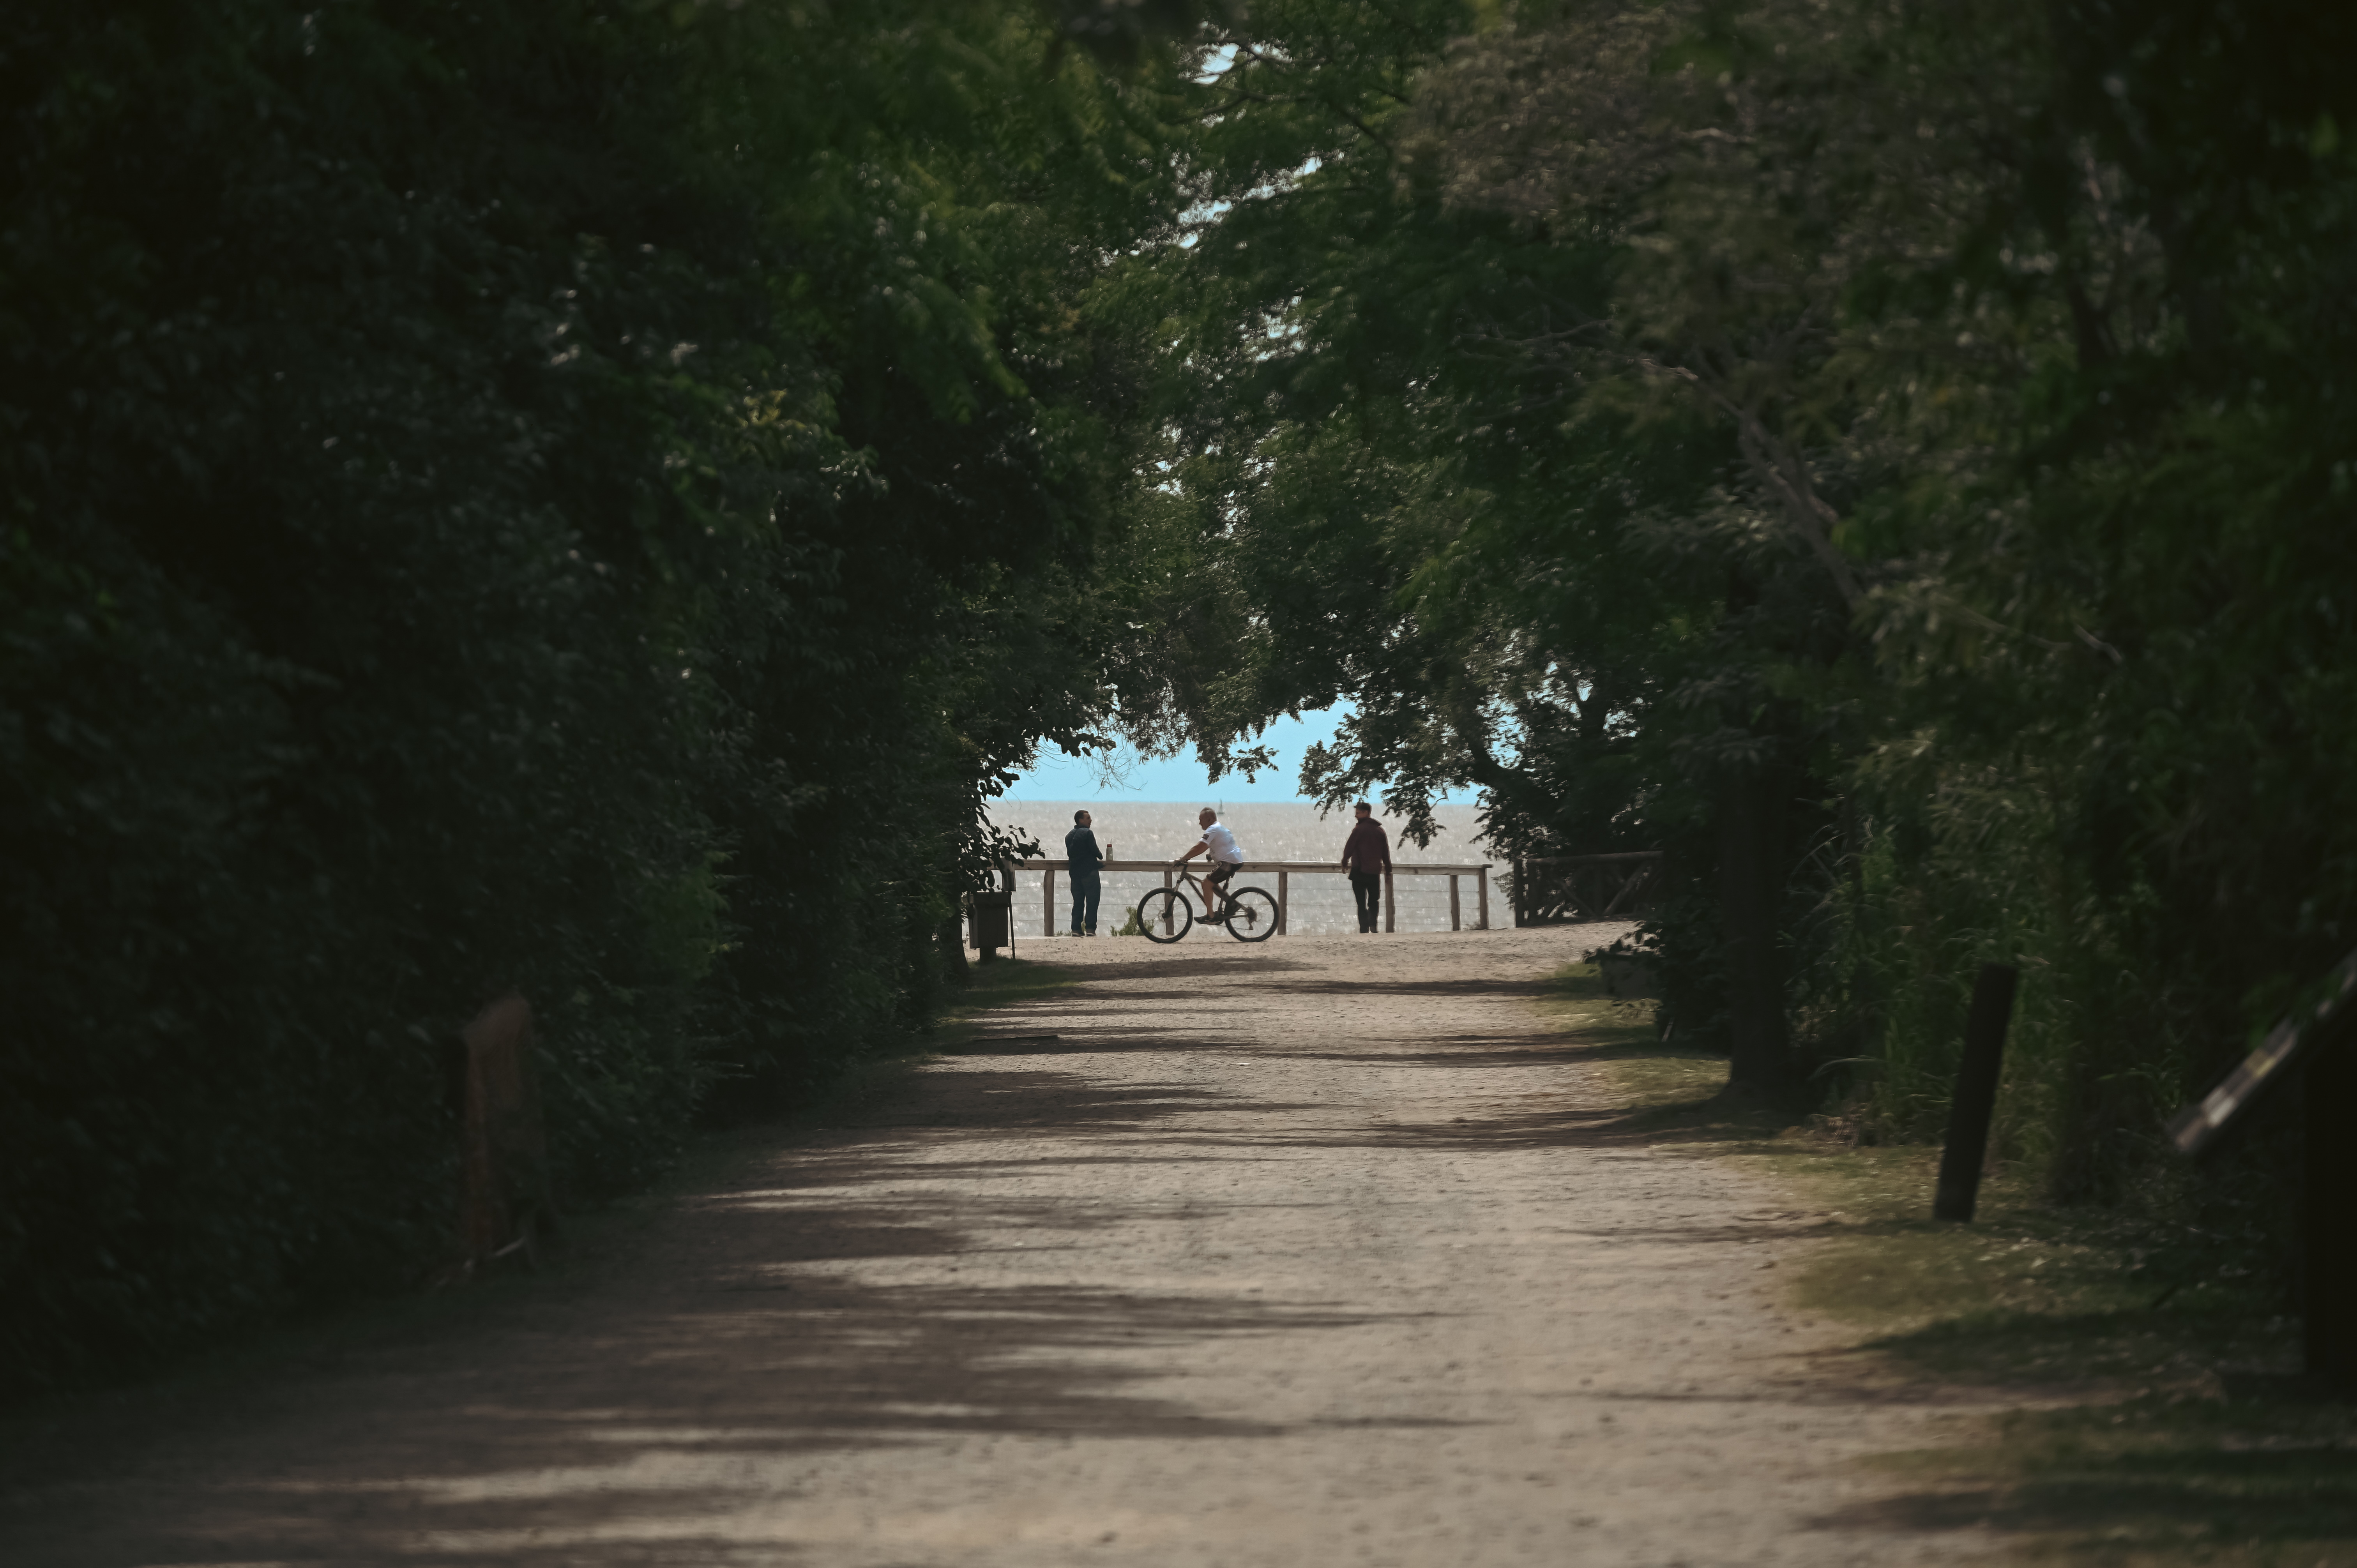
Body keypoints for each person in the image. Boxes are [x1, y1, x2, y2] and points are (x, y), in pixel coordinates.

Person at [1175, 807, 1244, 922]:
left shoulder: (1213, 829)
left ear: (1209, 819)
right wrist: (1212, 855)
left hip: (1229, 862)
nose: (1199, 823)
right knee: (1211, 884)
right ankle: (1231, 904)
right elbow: (1222, 844)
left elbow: (1200, 847)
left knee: (1206, 884)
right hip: (1233, 860)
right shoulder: (1219, 827)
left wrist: (1183, 858)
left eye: (1201, 820)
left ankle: (1211, 916)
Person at [1339, 800, 1391, 933]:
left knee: (1361, 903)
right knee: (1374, 901)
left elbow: (1349, 848)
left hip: (1359, 872)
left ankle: (1363, 928)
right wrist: (1388, 870)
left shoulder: (1358, 830)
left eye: (1358, 813)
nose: (1355, 816)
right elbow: (1386, 853)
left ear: (1366, 813)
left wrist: (1345, 862)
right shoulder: (1380, 831)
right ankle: (1373, 925)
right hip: (1374, 872)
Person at [1064, 809, 1105, 936]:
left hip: (1075, 874)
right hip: (1089, 872)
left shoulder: (1069, 836)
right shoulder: (1088, 833)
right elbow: (1095, 850)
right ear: (1081, 820)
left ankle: (1076, 929)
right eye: (1088, 818)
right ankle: (1091, 929)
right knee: (1092, 901)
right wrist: (1101, 856)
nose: (1091, 820)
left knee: (1078, 903)